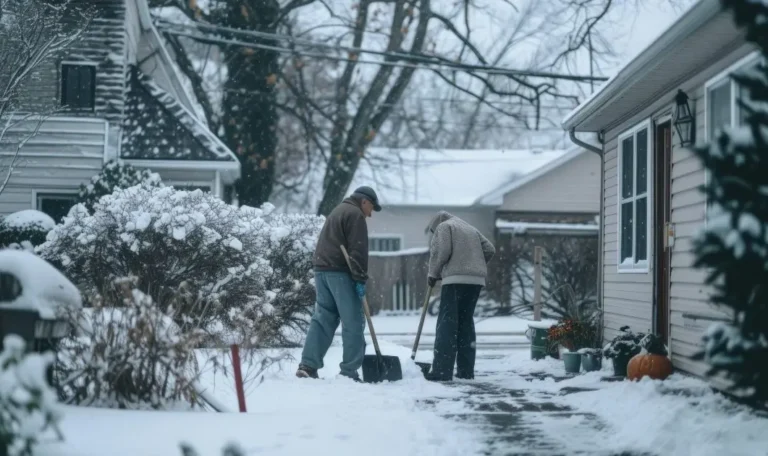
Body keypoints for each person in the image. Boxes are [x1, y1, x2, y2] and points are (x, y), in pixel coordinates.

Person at [296, 186, 382, 381]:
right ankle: (349, 372)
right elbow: (358, 250)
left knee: (323, 319)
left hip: (322, 270)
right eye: (371, 209)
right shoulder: (355, 214)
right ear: (365, 201)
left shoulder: (338, 210)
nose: (370, 215)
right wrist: (359, 278)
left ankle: (308, 365)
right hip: (340, 273)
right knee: (353, 321)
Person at [424, 211, 495, 381]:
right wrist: (474, 264)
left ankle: (442, 371)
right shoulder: (469, 228)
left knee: (447, 325)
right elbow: (490, 249)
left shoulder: (444, 226)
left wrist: (433, 273)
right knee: (465, 323)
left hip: (455, 280)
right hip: (476, 281)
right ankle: (466, 371)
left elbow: (441, 251)